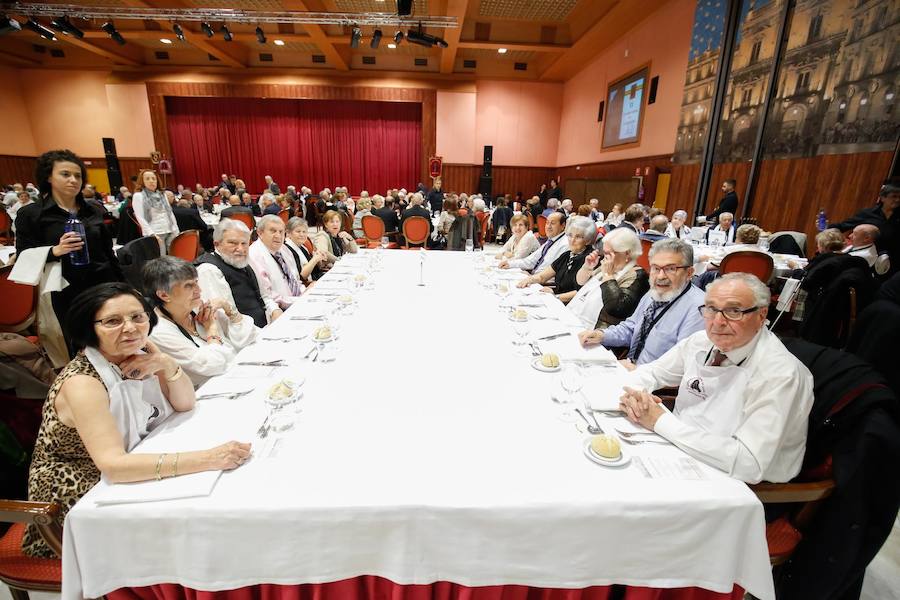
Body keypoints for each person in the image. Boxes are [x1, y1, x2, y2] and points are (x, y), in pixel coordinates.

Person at [22, 282, 251, 557]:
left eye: (137, 317)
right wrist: (209, 458)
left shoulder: (139, 350)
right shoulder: (83, 382)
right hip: (79, 498)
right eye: (113, 321)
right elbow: (114, 466)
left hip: (134, 461)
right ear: (89, 328)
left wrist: (166, 364)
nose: (130, 328)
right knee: (202, 526)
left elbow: (185, 403)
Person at [619, 273, 814, 483]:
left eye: (734, 311)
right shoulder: (700, 342)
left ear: (761, 315)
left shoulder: (780, 374)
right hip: (679, 449)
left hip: (738, 484)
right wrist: (636, 397)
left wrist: (660, 421)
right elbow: (653, 372)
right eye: (711, 309)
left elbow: (749, 463)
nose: (718, 322)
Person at [14, 149, 124, 364]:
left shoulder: (93, 210)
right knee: (81, 345)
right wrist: (54, 251)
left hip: (104, 282)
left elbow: (108, 253)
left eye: (78, 176)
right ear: (49, 177)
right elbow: (22, 257)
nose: (73, 180)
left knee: (115, 339)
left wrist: (123, 286)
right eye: (65, 174)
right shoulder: (32, 214)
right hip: (67, 290)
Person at [578, 238, 704, 368]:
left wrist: (638, 370)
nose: (660, 276)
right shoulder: (655, 292)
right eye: (655, 268)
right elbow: (631, 328)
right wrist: (601, 335)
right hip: (629, 367)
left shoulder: (698, 310)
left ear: (689, 273)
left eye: (670, 269)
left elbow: (682, 366)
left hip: (654, 383)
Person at [144, 257, 258, 387]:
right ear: (164, 295)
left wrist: (228, 308)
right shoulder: (159, 332)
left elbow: (249, 337)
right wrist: (212, 331)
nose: (199, 290)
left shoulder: (196, 306)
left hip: (239, 377)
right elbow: (213, 365)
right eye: (188, 285)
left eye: (196, 282)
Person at [196, 218, 281, 328]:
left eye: (244, 243)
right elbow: (223, 322)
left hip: (264, 326)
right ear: (217, 244)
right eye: (233, 243)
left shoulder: (244, 262)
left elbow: (263, 296)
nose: (240, 249)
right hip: (242, 337)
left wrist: (275, 310)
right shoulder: (209, 270)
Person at [567, 227, 649, 329]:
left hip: (603, 332)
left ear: (627, 253)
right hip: (578, 321)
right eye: (604, 252)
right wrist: (587, 268)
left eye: (608, 253)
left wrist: (608, 276)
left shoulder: (638, 275)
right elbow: (579, 286)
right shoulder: (609, 264)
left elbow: (617, 308)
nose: (605, 257)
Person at [516, 216, 595, 303]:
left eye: (578, 237)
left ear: (588, 240)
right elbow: (542, 276)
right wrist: (529, 280)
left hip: (571, 305)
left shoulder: (591, 260)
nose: (572, 240)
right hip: (556, 299)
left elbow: (582, 292)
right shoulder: (567, 255)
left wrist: (555, 297)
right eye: (570, 235)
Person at [831, 179, 900, 275]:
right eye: (894, 196)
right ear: (883, 198)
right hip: (865, 260)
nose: (897, 200)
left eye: (899, 197)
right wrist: (825, 229)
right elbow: (842, 226)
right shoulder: (868, 214)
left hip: (889, 265)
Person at [249, 215, 307, 309]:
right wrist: (299, 300)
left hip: (297, 302)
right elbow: (268, 295)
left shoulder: (285, 250)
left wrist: (305, 292)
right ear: (260, 233)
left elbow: (295, 280)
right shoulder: (254, 255)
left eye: (281, 232)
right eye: (273, 231)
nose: (278, 236)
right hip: (279, 310)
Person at [499, 211, 569, 273]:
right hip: (534, 275)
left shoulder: (564, 245)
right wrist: (510, 264)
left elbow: (551, 272)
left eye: (552, 223)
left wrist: (532, 278)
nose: (548, 226)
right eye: (547, 223)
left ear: (563, 226)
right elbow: (531, 260)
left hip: (543, 282)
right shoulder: (550, 241)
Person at [131, 169, 180, 251]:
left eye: (154, 179)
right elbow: (140, 217)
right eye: (147, 179)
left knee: (173, 256)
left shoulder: (162, 194)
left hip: (170, 229)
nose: (151, 181)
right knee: (160, 258)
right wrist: (151, 234)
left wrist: (176, 228)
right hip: (155, 232)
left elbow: (169, 212)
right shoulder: (138, 196)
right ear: (142, 181)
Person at [284, 217, 326, 283]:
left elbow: (315, 269)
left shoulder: (303, 246)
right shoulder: (287, 250)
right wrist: (314, 259)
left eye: (304, 232)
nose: (302, 235)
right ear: (288, 233)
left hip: (316, 279)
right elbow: (301, 277)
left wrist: (318, 259)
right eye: (298, 231)